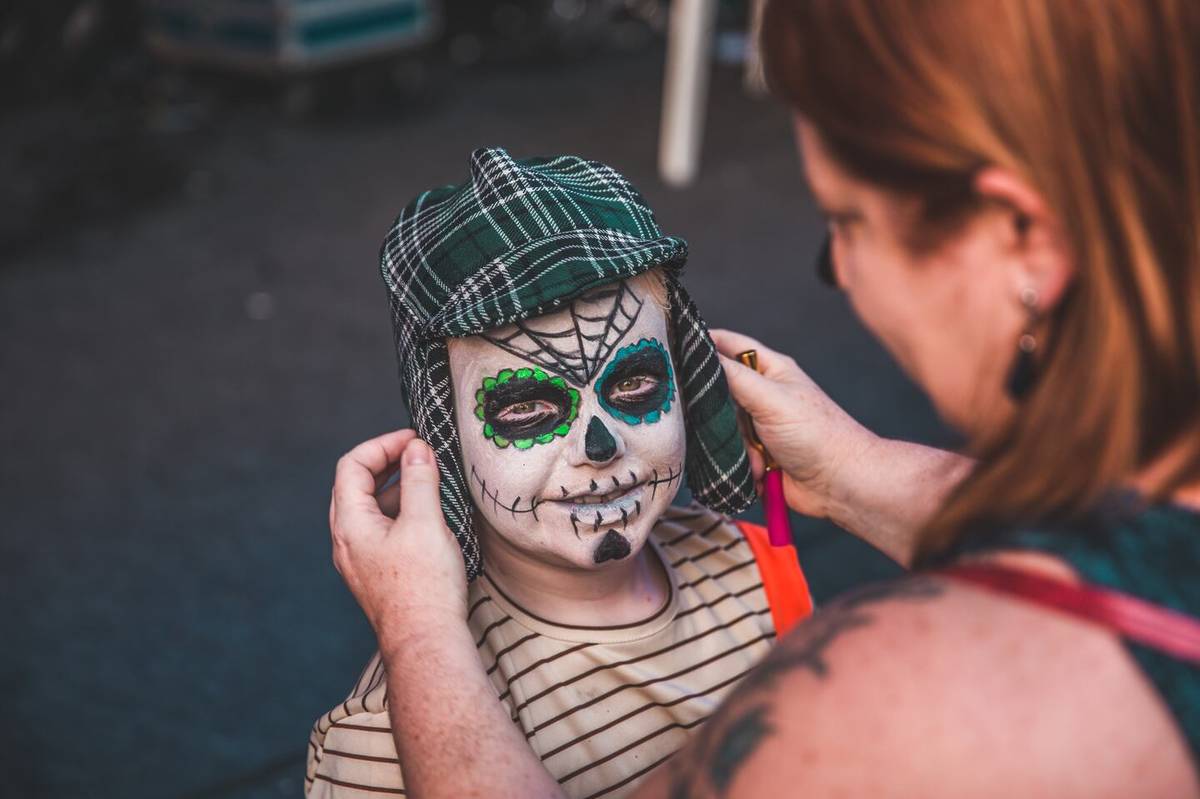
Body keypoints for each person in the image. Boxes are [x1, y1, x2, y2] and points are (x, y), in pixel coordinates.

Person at [328, 0, 1200, 795]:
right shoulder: (371, 746)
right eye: (526, 406)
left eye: (848, 222)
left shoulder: (880, 697)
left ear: (1023, 236)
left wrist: (419, 641)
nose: (844, 275)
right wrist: (857, 470)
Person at [309, 148, 812, 798]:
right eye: (525, 407)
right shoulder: (388, 743)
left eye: (633, 381)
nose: (599, 445)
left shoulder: (755, 570)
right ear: (444, 435)